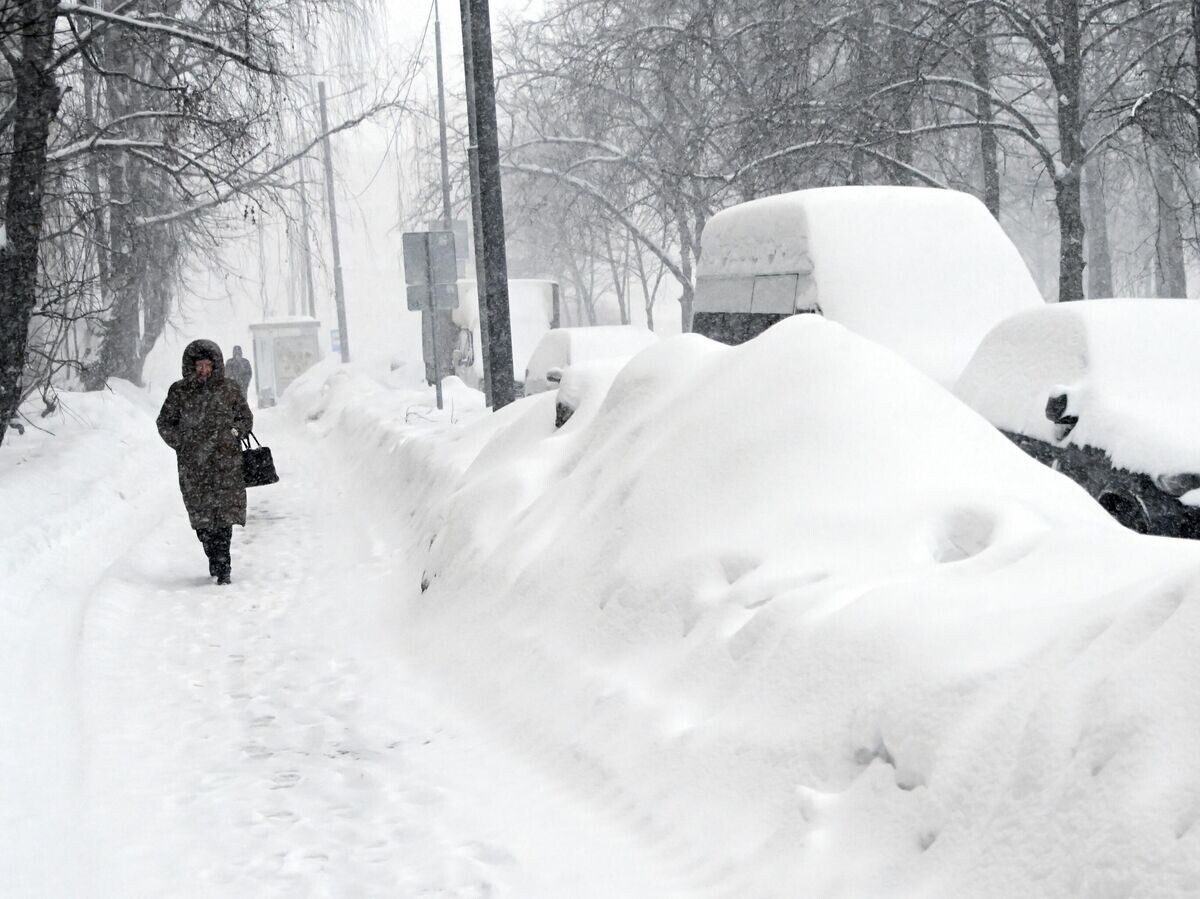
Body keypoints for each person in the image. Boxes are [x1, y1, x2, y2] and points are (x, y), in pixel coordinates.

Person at [156, 339, 253, 585]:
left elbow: (245, 417)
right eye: (199, 365)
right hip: (193, 466)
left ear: (215, 365)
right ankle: (213, 555)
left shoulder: (229, 389)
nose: (203, 370)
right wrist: (181, 442)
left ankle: (224, 566)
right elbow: (165, 422)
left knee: (223, 518)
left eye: (207, 365)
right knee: (203, 522)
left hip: (226, 464)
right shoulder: (179, 392)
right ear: (191, 366)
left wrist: (235, 431)